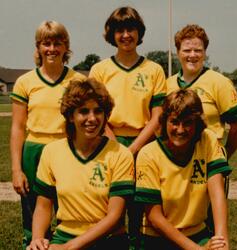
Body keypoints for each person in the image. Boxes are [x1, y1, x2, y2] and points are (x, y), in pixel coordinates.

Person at [89, 7, 166, 249]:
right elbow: (95, 113)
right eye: (119, 30)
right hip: (107, 142)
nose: (125, 35)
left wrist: (133, 148)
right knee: (109, 205)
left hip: (144, 143)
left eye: (130, 29)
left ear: (139, 32)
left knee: (141, 208)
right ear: (111, 34)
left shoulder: (154, 70)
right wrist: (115, 145)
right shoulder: (100, 70)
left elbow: (158, 115)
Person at [27, 79, 134, 250]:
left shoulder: (120, 154)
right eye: (83, 111)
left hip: (109, 240)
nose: (92, 119)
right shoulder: (51, 151)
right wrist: (38, 239)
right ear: (70, 116)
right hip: (64, 237)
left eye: (98, 111)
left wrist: (69, 248)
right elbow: (43, 205)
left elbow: (115, 216)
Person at [10, 20, 86, 249]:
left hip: (67, 149)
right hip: (35, 150)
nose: (51, 49)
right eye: (46, 43)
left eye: (57, 43)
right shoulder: (25, 82)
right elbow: (18, 127)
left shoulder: (78, 81)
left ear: (66, 47)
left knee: (69, 207)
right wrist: (16, 169)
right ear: (38, 47)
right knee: (34, 213)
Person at [135, 89, 231, 250]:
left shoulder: (207, 141)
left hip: (197, 233)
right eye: (174, 122)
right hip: (157, 238)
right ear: (164, 121)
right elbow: (155, 217)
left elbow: (217, 194)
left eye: (187, 123)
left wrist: (221, 241)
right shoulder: (149, 154)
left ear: (197, 123)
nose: (180, 129)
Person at [166, 24, 237, 160]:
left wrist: (224, 156)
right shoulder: (167, 84)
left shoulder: (220, 82)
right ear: (178, 52)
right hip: (175, 162)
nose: (192, 55)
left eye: (198, 50)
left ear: (204, 53)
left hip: (209, 159)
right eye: (187, 50)